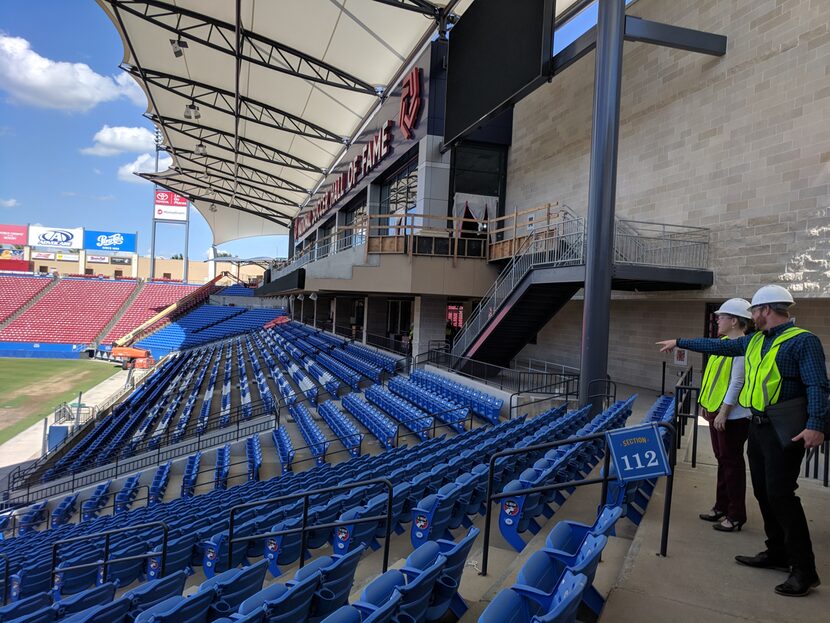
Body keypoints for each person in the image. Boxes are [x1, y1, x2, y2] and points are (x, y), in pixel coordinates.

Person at [657, 284, 828, 597]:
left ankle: (805, 569)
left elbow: (818, 385)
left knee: (782, 495)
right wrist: (680, 341)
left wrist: (817, 424)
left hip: (783, 429)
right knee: (763, 492)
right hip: (759, 427)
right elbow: (718, 346)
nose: (752, 316)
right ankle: (776, 552)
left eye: (755, 311)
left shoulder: (803, 341)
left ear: (765, 311)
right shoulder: (756, 341)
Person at [697, 299, 753, 533]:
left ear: (734, 321)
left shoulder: (740, 346)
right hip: (716, 411)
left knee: (732, 464)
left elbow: (737, 381)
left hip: (732, 416)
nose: (717, 319)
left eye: (721, 317)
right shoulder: (723, 344)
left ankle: (736, 514)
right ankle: (722, 505)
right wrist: (705, 403)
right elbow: (713, 378)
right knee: (723, 460)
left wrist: (723, 411)